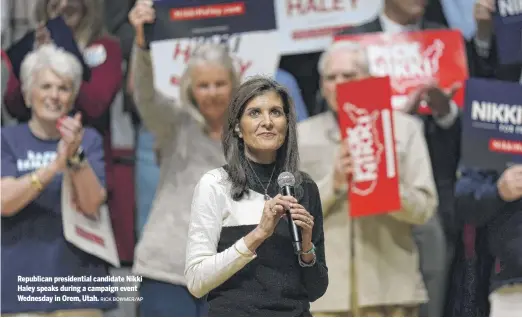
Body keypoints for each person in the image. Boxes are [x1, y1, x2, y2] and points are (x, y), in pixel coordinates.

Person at [298, 40, 437, 317]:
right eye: (331, 77)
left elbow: (424, 208)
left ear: (369, 79)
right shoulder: (301, 136)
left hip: (391, 290)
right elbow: (288, 218)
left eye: (349, 76)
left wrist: (385, 183)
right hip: (326, 297)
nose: (339, 84)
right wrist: (333, 185)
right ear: (322, 86)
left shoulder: (405, 129)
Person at [129, 0, 240, 315]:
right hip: (166, 269)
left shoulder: (253, 134)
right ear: (191, 89)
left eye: (220, 83)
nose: (212, 92)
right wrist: (142, 45)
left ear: (235, 84)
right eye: (203, 85)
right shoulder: (175, 124)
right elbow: (145, 95)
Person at [185, 76, 328, 316]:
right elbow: (197, 281)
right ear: (238, 128)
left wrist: (305, 249)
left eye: (276, 112)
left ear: (287, 123)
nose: (267, 122)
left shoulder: (303, 187)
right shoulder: (216, 185)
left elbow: (316, 290)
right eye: (254, 113)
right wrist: (259, 234)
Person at [1, 44, 114, 316]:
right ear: (28, 96)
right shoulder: (7, 139)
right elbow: (4, 202)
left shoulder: (89, 140)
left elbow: (91, 204)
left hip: (79, 288)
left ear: (72, 98)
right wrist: (55, 166)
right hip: (18, 288)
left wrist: (75, 157)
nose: (54, 95)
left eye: (63, 88)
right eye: (46, 87)